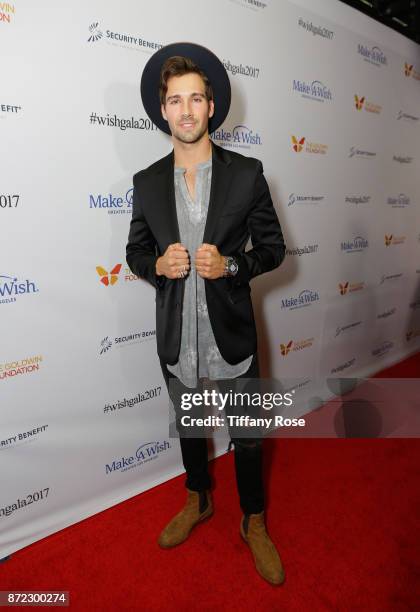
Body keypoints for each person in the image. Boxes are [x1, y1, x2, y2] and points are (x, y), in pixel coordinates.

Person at [126, 42, 286, 585]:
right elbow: (135, 254)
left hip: (230, 335)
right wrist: (158, 266)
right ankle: (199, 500)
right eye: (176, 100)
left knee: (246, 437)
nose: (187, 110)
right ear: (163, 109)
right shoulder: (146, 182)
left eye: (197, 98)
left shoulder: (247, 173)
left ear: (211, 106)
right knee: (192, 432)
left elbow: (272, 249)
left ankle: (254, 520)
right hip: (178, 339)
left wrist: (234, 266)